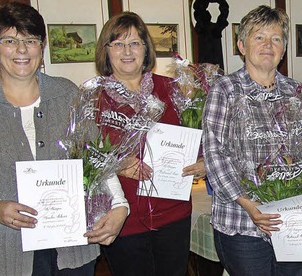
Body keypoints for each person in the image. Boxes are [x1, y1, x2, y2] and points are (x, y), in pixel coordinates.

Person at [0, 3, 128, 275]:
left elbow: (98, 158)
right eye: (9, 40)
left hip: (73, 246)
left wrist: (120, 205)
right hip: (8, 248)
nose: (21, 50)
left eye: (30, 40)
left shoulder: (67, 92)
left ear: (42, 47)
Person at [202, 5, 302, 276]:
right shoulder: (224, 90)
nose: (268, 45)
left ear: (283, 49)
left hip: (292, 221)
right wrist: (250, 204)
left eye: (276, 38)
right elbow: (215, 155)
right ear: (241, 45)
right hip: (243, 221)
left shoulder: (297, 91)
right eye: (259, 37)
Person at [94, 12, 206, 276]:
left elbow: (200, 134)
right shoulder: (94, 98)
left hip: (173, 213)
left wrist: (204, 160)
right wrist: (115, 165)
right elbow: (82, 155)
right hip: (122, 217)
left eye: (135, 43)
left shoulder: (173, 89)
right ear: (106, 51)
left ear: (146, 48)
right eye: (118, 44)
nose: (127, 51)